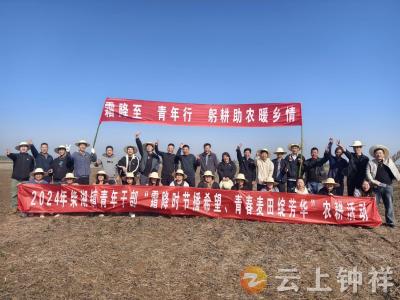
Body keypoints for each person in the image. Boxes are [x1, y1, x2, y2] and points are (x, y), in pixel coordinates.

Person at [366, 145, 400, 228]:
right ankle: (372, 221)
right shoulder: (371, 162)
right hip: (376, 187)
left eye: (380, 153)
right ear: (374, 155)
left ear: (384, 154)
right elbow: (368, 173)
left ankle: (390, 222)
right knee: (374, 205)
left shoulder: (389, 161)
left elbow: (397, 155)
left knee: (389, 204)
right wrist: (373, 181)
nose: (378, 154)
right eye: (377, 153)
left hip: (388, 186)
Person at [6, 142, 35, 211]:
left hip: (26, 179)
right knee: (14, 194)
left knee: (25, 194)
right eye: (22, 146)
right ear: (19, 148)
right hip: (15, 179)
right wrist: (9, 154)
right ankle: (14, 208)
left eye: (25, 146)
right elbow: (11, 156)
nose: (23, 147)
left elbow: (32, 168)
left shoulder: (30, 157)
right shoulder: (16, 156)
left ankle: (24, 207)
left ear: (27, 148)